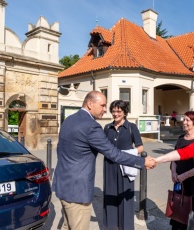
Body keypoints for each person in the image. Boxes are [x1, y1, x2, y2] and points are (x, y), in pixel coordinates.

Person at [52, 91, 156, 230]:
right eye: (102, 105)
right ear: (90, 104)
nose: (105, 110)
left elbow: (60, 150)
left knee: (67, 226)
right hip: (78, 190)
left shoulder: (69, 120)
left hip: (63, 184)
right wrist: (142, 162)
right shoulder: (92, 126)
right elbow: (113, 153)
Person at [103, 100, 144, 230]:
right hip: (109, 165)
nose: (116, 114)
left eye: (119, 111)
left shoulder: (131, 127)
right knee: (110, 194)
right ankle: (111, 226)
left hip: (126, 167)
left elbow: (140, 148)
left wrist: (125, 154)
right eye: (113, 111)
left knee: (125, 198)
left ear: (125, 112)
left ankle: (125, 227)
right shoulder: (107, 127)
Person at [170, 111, 194, 230]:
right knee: (178, 207)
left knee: (191, 210)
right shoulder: (180, 139)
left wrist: (185, 175)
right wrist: (173, 172)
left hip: (193, 182)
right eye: (184, 119)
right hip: (179, 180)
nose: (184, 122)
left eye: (187, 120)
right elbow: (174, 158)